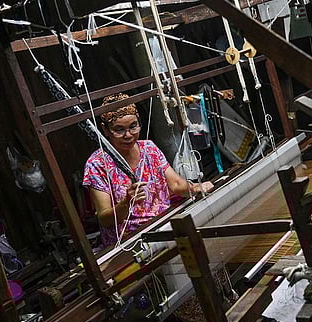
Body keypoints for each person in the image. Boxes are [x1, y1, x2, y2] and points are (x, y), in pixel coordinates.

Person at [83, 93, 214, 247]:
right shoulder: (97, 164)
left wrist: (195, 187)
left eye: (133, 126)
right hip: (131, 244)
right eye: (119, 130)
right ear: (105, 130)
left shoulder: (149, 149)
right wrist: (126, 203)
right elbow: (105, 219)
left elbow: (176, 184)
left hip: (164, 227)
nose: (128, 135)